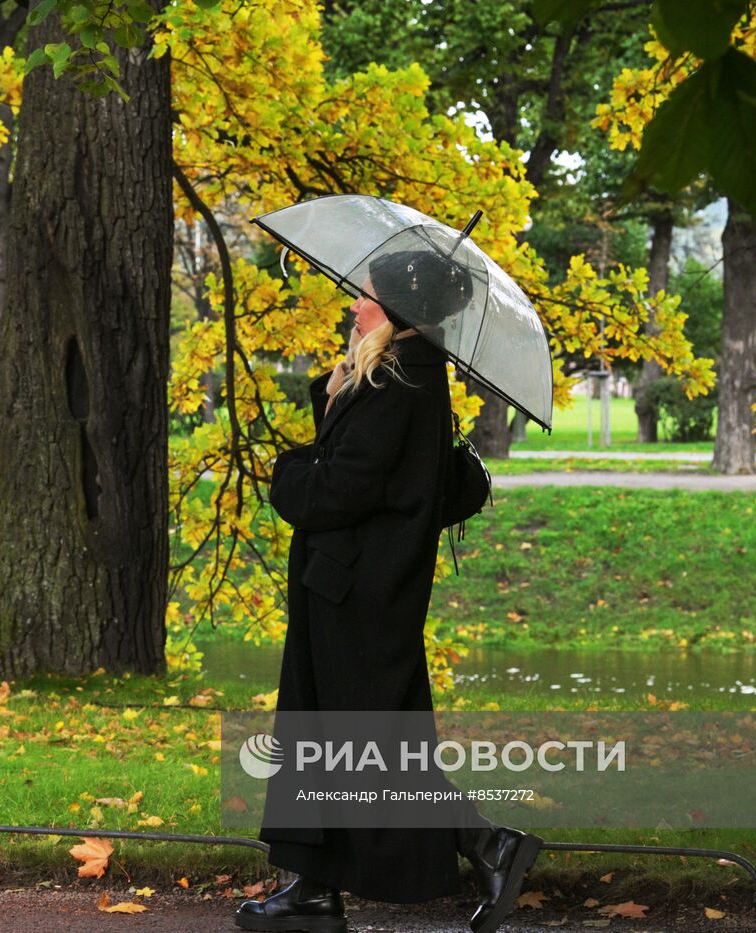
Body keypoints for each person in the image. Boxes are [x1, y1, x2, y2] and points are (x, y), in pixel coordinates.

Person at [233, 251, 540, 933]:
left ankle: (488, 843)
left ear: (397, 309)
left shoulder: (401, 388)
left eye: (363, 295)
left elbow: (339, 489)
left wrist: (287, 471)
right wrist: (339, 389)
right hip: (349, 589)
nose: (353, 304)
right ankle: (312, 887)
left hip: (362, 597)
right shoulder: (396, 380)